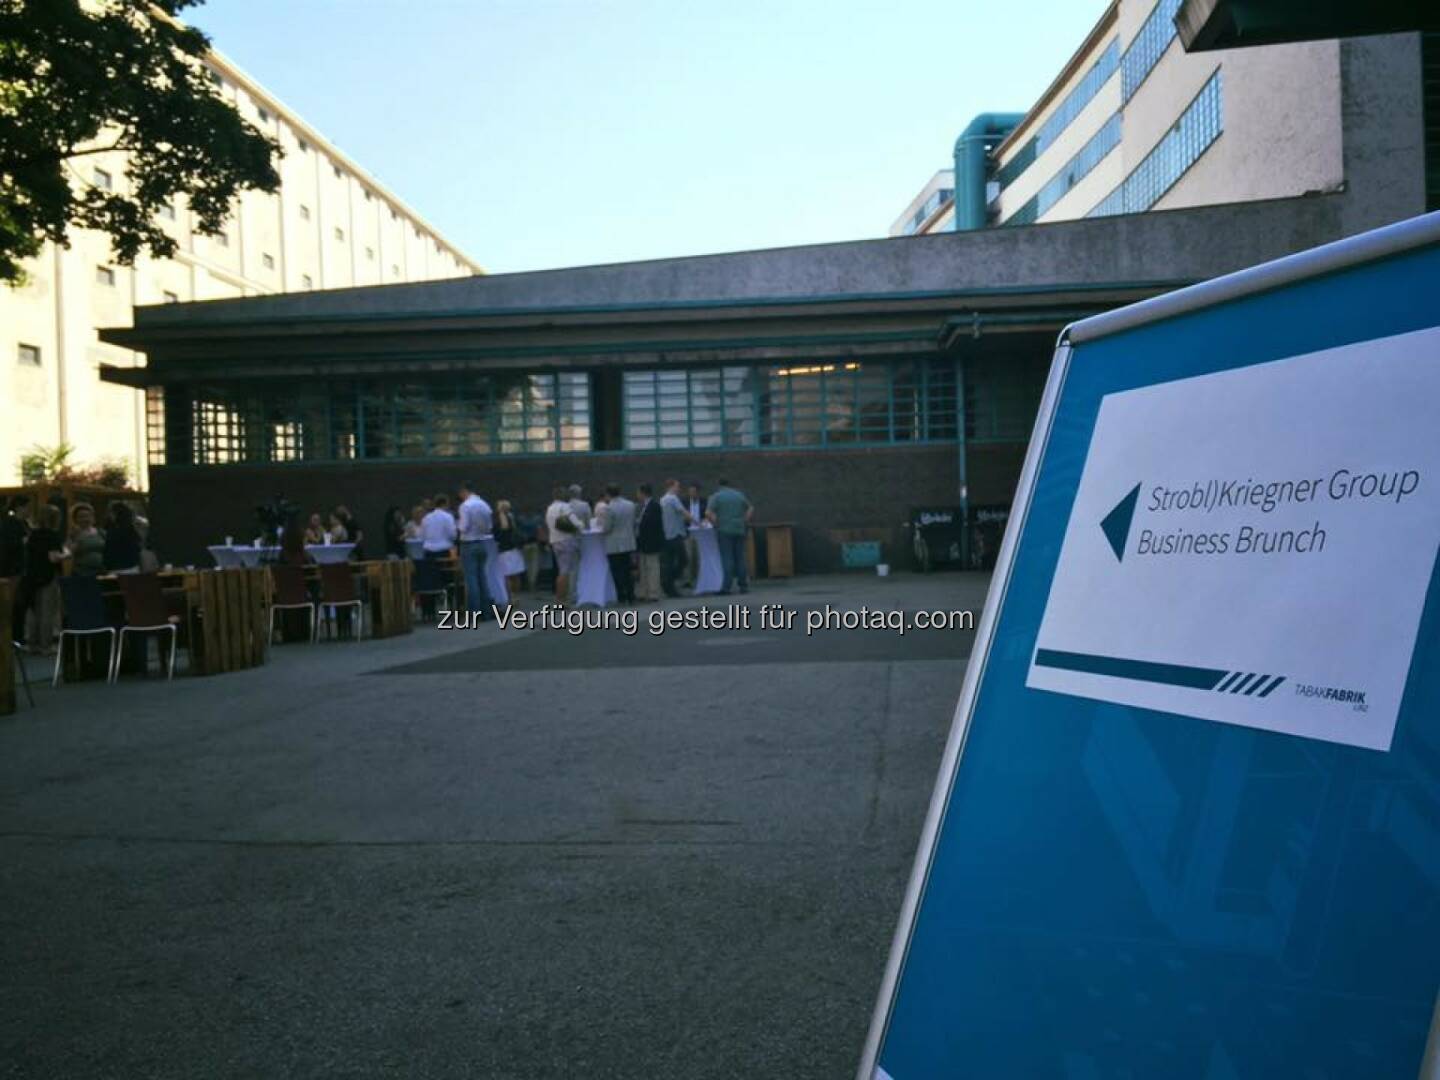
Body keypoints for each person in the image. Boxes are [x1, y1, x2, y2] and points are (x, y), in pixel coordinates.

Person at [12, 505, 65, 654]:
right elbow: (53, 558)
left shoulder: (33, 535)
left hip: (32, 575)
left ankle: (32, 643)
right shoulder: (53, 535)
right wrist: (67, 553)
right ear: (55, 519)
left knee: (33, 611)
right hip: (48, 575)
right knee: (47, 611)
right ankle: (45, 645)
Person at [705, 477, 754, 595]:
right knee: (740, 557)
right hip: (739, 529)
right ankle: (743, 586)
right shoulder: (739, 495)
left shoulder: (716, 496)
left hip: (724, 530)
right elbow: (750, 508)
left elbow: (708, 513)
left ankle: (726, 587)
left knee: (727, 558)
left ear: (719, 485)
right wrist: (745, 520)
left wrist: (715, 523)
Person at [456, 481, 493, 615]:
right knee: (482, 577)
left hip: (469, 543)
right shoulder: (484, 504)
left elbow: (463, 527)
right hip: (482, 542)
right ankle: (486, 611)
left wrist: (457, 525)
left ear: (464, 491)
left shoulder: (465, 506)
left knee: (471, 578)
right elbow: (489, 527)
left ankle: (474, 611)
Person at [545, 485, 583, 604]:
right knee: (565, 572)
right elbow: (576, 523)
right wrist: (581, 525)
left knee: (561, 569)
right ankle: (561, 599)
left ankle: (560, 598)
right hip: (566, 540)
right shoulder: (565, 507)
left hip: (554, 541)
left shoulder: (550, 508)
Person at [600, 483, 636, 604]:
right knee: (627, 570)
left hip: (614, 544)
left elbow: (607, 528)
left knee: (616, 571)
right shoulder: (630, 505)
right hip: (628, 542)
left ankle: (621, 595)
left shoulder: (609, 508)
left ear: (608, 494)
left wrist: (602, 528)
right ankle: (631, 595)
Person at [659, 478, 693, 597]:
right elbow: (684, 512)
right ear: (671, 486)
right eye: (677, 486)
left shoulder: (662, 500)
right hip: (676, 534)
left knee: (669, 561)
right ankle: (668, 581)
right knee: (683, 560)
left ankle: (668, 586)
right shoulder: (673, 498)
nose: (679, 489)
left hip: (667, 535)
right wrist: (697, 522)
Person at [634, 483, 664, 602]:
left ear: (643, 493)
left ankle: (653, 593)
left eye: (638, 493)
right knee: (643, 568)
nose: (637, 495)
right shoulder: (643, 506)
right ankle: (644, 591)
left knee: (652, 568)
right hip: (643, 542)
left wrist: (639, 523)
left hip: (651, 542)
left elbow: (653, 524)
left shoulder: (654, 506)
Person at [493, 500, 525, 595]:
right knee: (516, 575)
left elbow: (495, 535)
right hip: (514, 549)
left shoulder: (496, 521)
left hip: (503, 550)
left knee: (505, 575)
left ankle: (509, 596)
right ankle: (516, 595)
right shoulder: (513, 518)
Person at [102, 502, 143, 573]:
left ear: (116, 514)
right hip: (133, 567)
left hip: (116, 568)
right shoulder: (131, 529)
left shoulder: (114, 531)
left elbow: (109, 550)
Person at [68, 503, 106, 577]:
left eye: (87, 516)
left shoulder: (101, 532)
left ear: (92, 517)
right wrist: (78, 537)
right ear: (75, 519)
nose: (85, 519)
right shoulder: (74, 534)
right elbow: (69, 552)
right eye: (81, 517)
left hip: (101, 572)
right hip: (81, 573)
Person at [1, 496, 32, 580]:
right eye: (27, 507)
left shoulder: (25, 523)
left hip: (24, 566)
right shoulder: (10, 523)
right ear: (19, 508)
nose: (30, 510)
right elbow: (9, 544)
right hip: (13, 568)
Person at [683, 482, 707, 588]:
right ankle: (687, 580)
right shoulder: (685, 502)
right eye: (690, 492)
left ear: (698, 492)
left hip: (700, 533)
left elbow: (707, 515)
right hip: (688, 532)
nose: (691, 494)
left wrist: (704, 522)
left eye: (693, 492)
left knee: (698, 556)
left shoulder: (704, 502)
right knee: (688, 556)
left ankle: (699, 579)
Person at [419, 495, 457, 559]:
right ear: (444, 504)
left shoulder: (426, 518)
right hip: (444, 550)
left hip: (428, 551)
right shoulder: (448, 517)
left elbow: (422, 535)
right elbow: (452, 534)